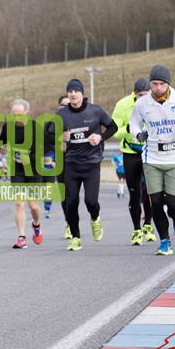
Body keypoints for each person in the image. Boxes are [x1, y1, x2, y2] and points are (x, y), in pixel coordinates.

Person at [129, 65, 175, 256]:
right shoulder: (142, 103)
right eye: (154, 84)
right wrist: (139, 134)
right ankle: (164, 242)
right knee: (154, 202)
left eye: (162, 84)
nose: (158, 88)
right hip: (152, 158)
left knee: (172, 203)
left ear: (168, 84)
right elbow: (133, 123)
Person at [50, 79, 117, 251]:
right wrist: (60, 137)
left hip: (91, 164)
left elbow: (113, 127)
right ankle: (75, 237)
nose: (73, 94)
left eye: (76, 91)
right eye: (70, 91)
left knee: (90, 201)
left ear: (82, 93)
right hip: (71, 165)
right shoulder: (61, 114)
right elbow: (48, 135)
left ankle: (95, 219)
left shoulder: (95, 111)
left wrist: (101, 137)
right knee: (71, 202)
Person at [111, 78, 155, 245]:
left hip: (150, 152)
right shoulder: (123, 105)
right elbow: (114, 131)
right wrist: (129, 129)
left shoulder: (156, 103)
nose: (143, 98)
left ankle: (148, 225)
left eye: (146, 95)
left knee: (150, 191)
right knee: (134, 193)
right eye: (140, 96)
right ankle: (136, 230)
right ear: (134, 94)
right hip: (130, 153)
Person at [0, 99, 44, 249]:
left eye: (19, 114)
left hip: (34, 169)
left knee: (33, 206)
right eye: (14, 114)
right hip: (17, 169)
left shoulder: (35, 128)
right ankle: (21, 237)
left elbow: (41, 151)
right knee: (19, 203)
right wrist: (4, 148)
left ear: (26, 112)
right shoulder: (8, 126)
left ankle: (36, 225)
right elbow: (1, 142)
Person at [43, 95, 71, 226]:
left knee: (73, 194)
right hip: (57, 161)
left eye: (68, 105)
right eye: (63, 105)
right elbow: (44, 144)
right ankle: (69, 223)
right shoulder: (51, 123)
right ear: (59, 106)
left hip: (75, 161)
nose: (65, 108)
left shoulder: (79, 120)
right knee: (63, 193)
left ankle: (72, 222)